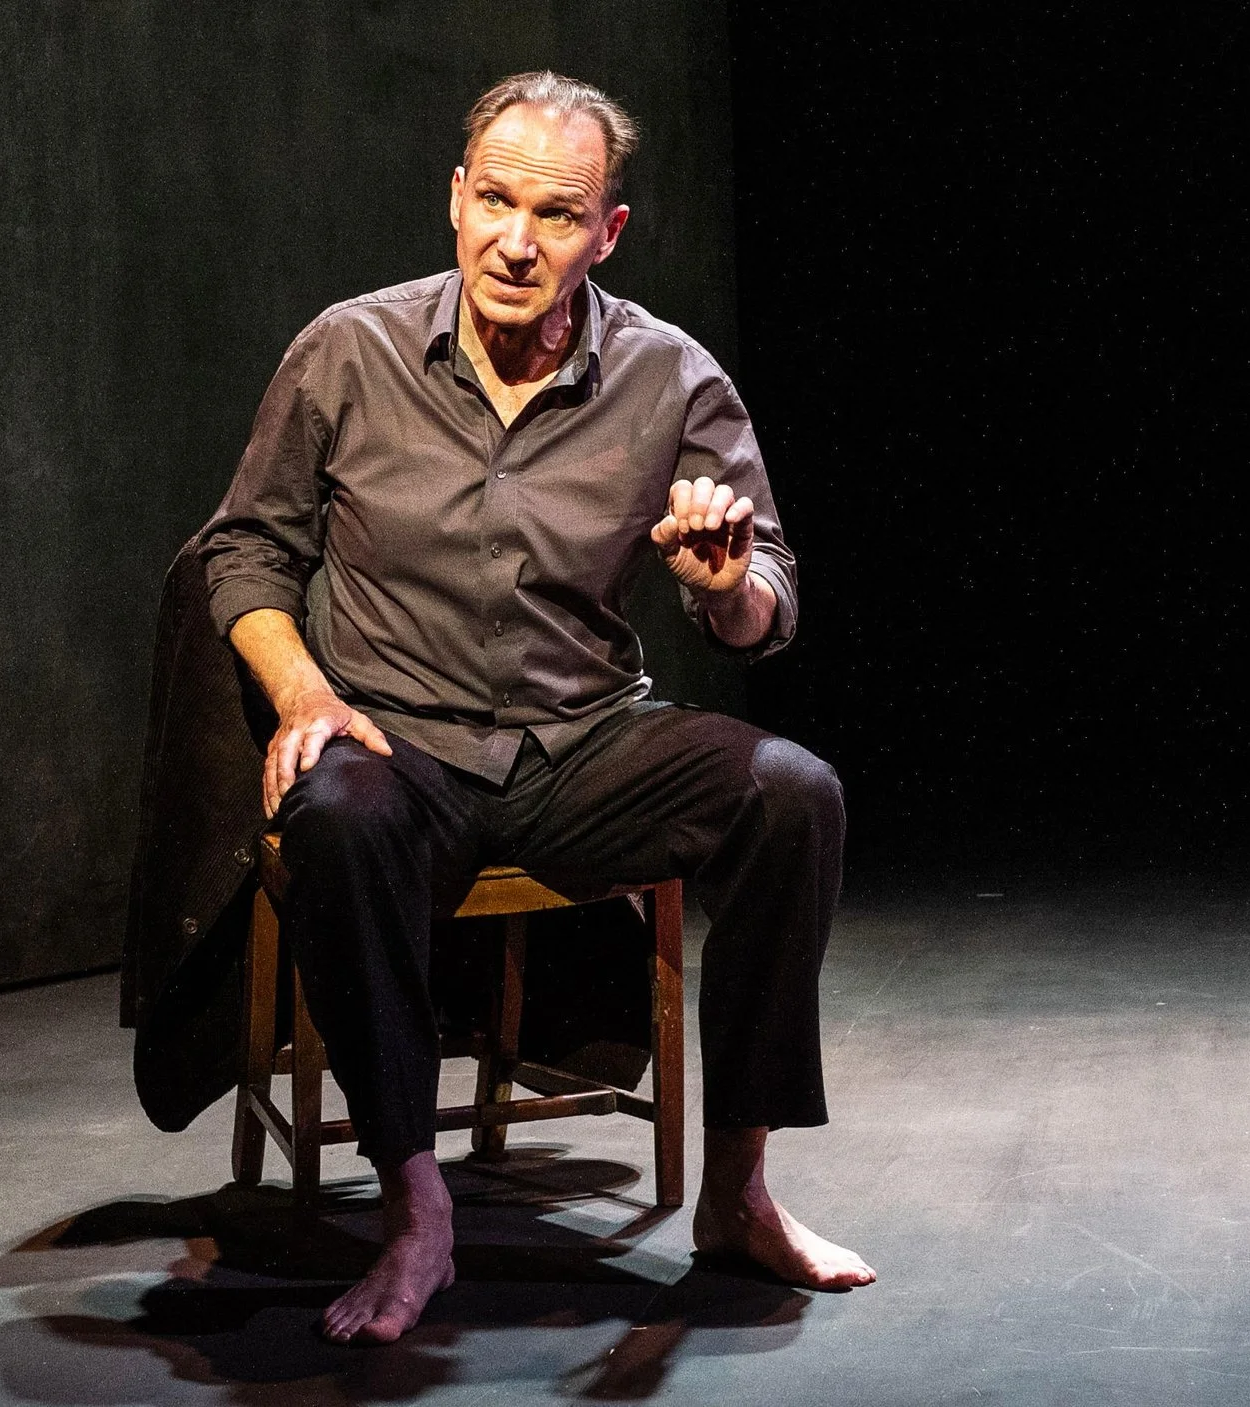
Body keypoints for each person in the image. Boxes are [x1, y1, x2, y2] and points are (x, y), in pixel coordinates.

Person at [197, 70, 874, 1345]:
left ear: (605, 232)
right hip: (396, 741)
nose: (517, 241)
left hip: (583, 744)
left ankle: (738, 1193)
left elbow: (767, 599)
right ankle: (416, 1211)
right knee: (336, 815)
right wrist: (301, 691)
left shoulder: (671, 377)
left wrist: (725, 589)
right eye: (496, 202)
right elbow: (245, 551)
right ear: (455, 200)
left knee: (794, 794)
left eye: (556, 214)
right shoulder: (348, 350)